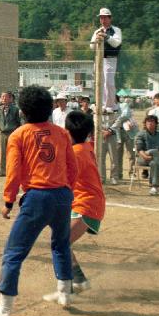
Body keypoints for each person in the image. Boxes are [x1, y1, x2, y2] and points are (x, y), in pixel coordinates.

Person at [0, 85, 78, 316]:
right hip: (62, 195)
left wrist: (8, 200)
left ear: (23, 110)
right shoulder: (61, 133)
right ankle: (65, 293)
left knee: (14, 252)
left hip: (37, 196)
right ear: (49, 108)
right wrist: (69, 191)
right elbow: (72, 167)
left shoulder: (19, 134)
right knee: (61, 245)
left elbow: (13, 171)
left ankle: (4, 309)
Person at [65, 110, 105, 294]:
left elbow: (63, 179)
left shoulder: (76, 153)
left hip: (87, 204)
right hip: (84, 202)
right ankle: (78, 280)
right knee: (61, 242)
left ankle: (71, 285)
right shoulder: (86, 146)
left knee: (60, 243)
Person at [89, 8, 122, 112]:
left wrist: (106, 36)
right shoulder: (97, 31)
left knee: (109, 82)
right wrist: (97, 38)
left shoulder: (116, 30)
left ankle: (110, 105)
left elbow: (116, 43)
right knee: (99, 82)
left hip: (110, 59)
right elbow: (91, 46)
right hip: (99, 59)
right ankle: (102, 104)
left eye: (105, 17)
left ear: (110, 18)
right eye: (101, 18)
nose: (102, 20)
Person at [134, 115, 159, 195]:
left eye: (152, 121)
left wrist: (155, 156)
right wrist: (146, 156)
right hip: (143, 158)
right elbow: (139, 149)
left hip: (155, 159)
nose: (150, 123)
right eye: (148, 122)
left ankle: (154, 186)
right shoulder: (141, 134)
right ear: (145, 124)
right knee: (154, 152)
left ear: (156, 124)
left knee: (155, 162)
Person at [0, 91, 23, 177]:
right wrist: (0, 128)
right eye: (2, 97)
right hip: (3, 133)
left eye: (6, 97)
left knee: (13, 152)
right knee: (3, 152)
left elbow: (19, 122)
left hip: (12, 133)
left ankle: (13, 170)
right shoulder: (0, 109)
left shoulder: (15, 109)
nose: (4, 99)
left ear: (10, 98)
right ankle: (3, 170)